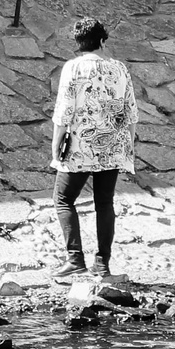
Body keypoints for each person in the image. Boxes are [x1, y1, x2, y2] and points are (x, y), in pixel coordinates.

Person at [50, 16, 138, 281]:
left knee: (63, 200)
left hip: (80, 146)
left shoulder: (73, 68)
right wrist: (128, 147)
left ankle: (75, 259)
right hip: (112, 146)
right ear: (102, 40)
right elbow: (130, 111)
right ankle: (102, 266)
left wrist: (56, 147)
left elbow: (64, 111)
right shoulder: (120, 68)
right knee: (104, 204)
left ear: (79, 43)